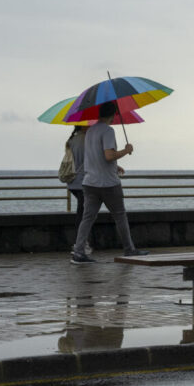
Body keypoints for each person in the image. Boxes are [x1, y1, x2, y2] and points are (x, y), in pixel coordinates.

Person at [70, 101, 149, 264]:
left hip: (89, 182)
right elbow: (108, 156)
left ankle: (78, 251)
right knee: (120, 216)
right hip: (108, 184)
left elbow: (95, 157)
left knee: (87, 218)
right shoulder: (108, 131)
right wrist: (126, 151)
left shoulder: (90, 131)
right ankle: (129, 249)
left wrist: (115, 165)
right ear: (114, 115)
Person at [66, 126, 94, 258]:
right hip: (83, 181)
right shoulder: (87, 139)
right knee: (84, 214)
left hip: (72, 182)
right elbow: (93, 158)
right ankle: (81, 244)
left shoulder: (71, 140)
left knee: (82, 212)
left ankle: (80, 243)